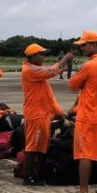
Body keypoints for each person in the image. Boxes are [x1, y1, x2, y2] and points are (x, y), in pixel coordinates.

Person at [66, 30, 97, 193]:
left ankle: (83, 191)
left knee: (85, 154)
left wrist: (83, 84)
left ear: (94, 44)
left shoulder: (90, 65)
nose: (83, 48)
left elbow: (72, 85)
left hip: (89, 116)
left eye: (85, 45)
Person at [20, 43, 70, 185]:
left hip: (41, 114)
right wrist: (65, 59)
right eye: (40, 54)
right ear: (32, 56)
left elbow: (49, 96)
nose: (43, 57)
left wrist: (59, 113)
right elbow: (52, 71)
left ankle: (38, 173)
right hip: (35, 115)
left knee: (41, 145)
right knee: (33, 147)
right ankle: (28, 176)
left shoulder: (36, 73)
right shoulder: (30, 70)